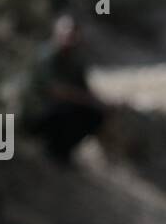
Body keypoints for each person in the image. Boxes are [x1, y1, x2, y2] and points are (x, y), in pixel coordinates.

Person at [19, 15, 108, 164]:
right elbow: (56, 91)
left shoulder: (74, 60)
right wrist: (86, 99)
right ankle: (51, 148)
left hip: (59, 111)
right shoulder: (46, 56)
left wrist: (100, 103)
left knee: (94, 115)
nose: (70, 37)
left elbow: (84, 89)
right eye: (66, 32)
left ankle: (61, 151)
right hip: (37, 111)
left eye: (73, 33)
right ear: (56, 32)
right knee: (66, 110)